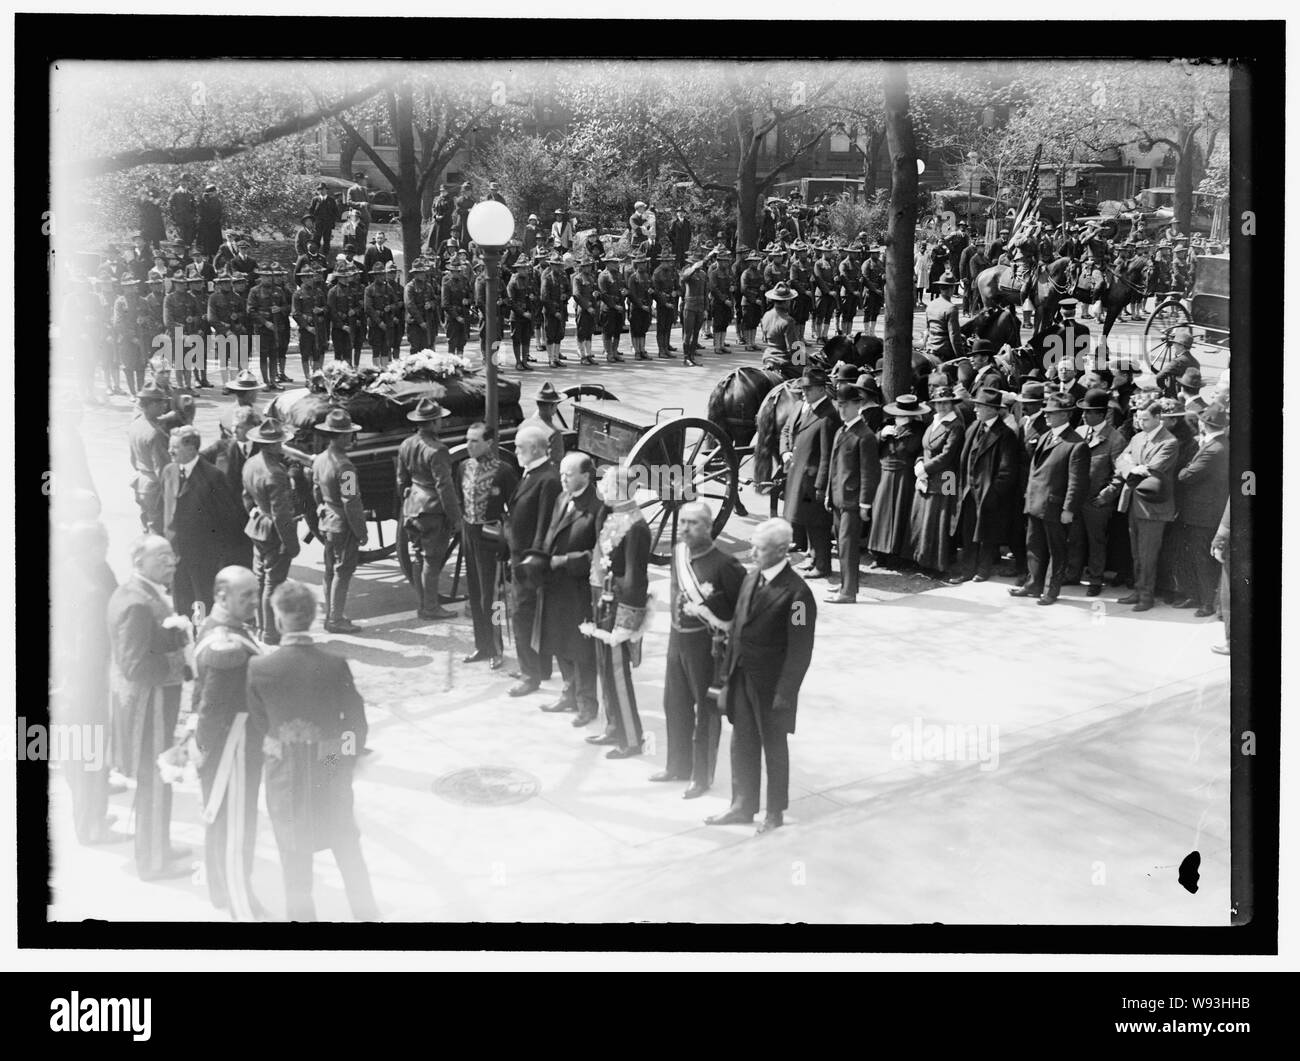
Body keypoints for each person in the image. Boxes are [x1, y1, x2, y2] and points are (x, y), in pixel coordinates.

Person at [246, 580, 379, 922]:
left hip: (285, 772)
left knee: (294, 859)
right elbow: (355, 721)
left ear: (277, 618)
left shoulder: (260, 668)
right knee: (347, 849)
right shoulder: (334, 664)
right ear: (314, 616)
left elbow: (260, 723)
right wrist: (348, 757)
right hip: (331, 764)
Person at [706, 518, 816, 835]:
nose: (752, 551)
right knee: (742, 743)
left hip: (771, 686)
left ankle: (774, 811)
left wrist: (785, 693)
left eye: (759, 547)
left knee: (774, 747)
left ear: (781, 551)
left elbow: (800, 652)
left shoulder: (798, 595)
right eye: (753, 544)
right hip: (742, 675)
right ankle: (742, 805)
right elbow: (739, 626)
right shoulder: (751, 578)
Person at [106, 535, 193, 881]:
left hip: (156, 705)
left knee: (160, 779)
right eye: (161, 557)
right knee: (157, 780)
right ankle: (153, 861)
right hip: (149, 708)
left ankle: (159, 846)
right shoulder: (136, 602)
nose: (170, 562)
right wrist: (178, 664)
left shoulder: (144, 591)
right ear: (138, 562)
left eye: (171, 554)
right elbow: (135, 666)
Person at [190, 565, 267, 920]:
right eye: (246, 595)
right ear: (221, 597)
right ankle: (241, 907)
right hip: (232, 747)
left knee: (220, 822)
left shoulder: (216, 627)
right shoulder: (227, 647)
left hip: (226, 744)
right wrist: (203, 751)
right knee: (237, 827)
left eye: (255, 592)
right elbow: (211, 709)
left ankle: (221, 891)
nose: (255, 601)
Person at [655, 501, 746, 795]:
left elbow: (738, 613)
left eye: (693, 523)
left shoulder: (726, 565)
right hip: (677, 641)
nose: (684, 528)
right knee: (674, 704)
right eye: (681, 522)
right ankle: (676, 766)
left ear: (708, 527)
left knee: (705, 712)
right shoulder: (678, 554)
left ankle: (701, 775)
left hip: (707, 648)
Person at [51, 519, 125, 846]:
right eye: (101, 545)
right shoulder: (91, 589)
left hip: (75, 681)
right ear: (87, 548)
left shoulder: (74, 571)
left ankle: (92, 814)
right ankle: (91, 825)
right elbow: (89, 643)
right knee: (88, 758)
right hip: (86, 684)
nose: (106, 550)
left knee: (83, 758)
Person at [581, 464, 652, 759]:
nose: (601, 490)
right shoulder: (613, 514)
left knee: (618, 674)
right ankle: (613, 726)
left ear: (620, 489)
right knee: (605, 671)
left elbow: (636, 579)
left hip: (619, 607)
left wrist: (626, 622)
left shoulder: (636, 526)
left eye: (606, 485)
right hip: (603, 601)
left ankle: (632, 739)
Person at [527, 452, 602, 726]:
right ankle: (568, 694)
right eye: (561, 474)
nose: (562, 479)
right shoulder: (562, 497)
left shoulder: (598, 506)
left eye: (568, 475)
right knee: (558, 641)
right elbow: (550, 532)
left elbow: (599, 554)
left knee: (580, 649)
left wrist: (565, 561)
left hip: (578, 588)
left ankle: (587, 704)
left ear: (585, 475)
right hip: (554, 584)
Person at [161, 424, 247, 621]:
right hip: (175, 555)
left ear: (191, 449)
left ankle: (200, 637)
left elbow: (227, 519)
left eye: (175, 447)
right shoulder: (168, 471)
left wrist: (219, 554)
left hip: (203, 557)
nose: (169, 451)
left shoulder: (213, 476)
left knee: (201, 605)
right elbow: (162, 511)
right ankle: (184, 637)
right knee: (180, 603)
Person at [1008, 393, 1088, 605]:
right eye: (1046, 413)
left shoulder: (1076, 444)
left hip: (1055, 505)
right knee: (1033, 545)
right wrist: (1029, 495)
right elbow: (1035, 469)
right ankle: (1033, 584)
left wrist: (1068, 509)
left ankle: (1051, 590)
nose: (1046, 417)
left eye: (1051, 414)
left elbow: (1076, 481)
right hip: (1035, 502)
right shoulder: (1046, 436)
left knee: (1056, 549)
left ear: (1064, 415)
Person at [505, 426, 562, 696]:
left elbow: (544, 526)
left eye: (520, 448)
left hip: (530, 563)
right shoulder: (533, 474)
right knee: (528, 616)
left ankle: (531, 675)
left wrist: (532, 562)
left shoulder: (547, 480)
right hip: (521, 558)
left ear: (536, 449)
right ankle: (538, 668)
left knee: (523, 617)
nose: (516, 452)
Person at [1109, 397, 1180, 612]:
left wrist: (1134, 466)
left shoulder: (1169, 442)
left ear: (1159, 418)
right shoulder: (1138, 437)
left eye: (1146, 419)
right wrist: (1131, 468)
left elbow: (1154, 468)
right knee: (1136, 553)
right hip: (1134, 502)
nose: (1141, 423)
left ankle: (1147, 596)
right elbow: (1120, 459)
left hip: (1153, 506)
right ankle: (1138, 591)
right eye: (1138, 419)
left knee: (1148, 554)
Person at [458, 422, 517, 668]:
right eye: (468, 440)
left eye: (475, 441)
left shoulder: (503, 470)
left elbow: (515, 506)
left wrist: (508, 539)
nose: (469, 446)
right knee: (475, 594)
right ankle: (481, 646)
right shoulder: (463, 467)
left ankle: (496, 648)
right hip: (469, 533)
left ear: (489, 443)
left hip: (491, 533)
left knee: (492, 598)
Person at [396, 397, 461, 620]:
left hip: (412, 507)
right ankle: (430, 607)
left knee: (418, 557)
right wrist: (456, 518)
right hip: (432, 510)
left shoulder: (406, 444)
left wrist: (406, 500)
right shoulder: (438, 450)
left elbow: (400, 480)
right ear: (433, 423)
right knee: (432, 561)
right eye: (439, 420)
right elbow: (445, 487)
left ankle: (423, 604)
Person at [949, 387, 1020, 584]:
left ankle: (983, 569)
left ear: (992, 409)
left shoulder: (1005, 434)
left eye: (980, 406)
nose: (975, 409)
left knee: (988, 533)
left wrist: (995, 492)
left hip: (989, 492)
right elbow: (963, 459)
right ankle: (967, 570)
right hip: (968, 490)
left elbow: (1007, 470)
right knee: (968, 530)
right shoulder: (973, 428)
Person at [309, 409, 369, 634]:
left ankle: (331, 615)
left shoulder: (321, 459)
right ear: (342, 437)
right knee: (342, 572)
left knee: (329, 571)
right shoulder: (345, 466)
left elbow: (316, 490)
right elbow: (351, 502)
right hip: (343, 525)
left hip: (327, 521)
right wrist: (361, 531)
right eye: (348, 435)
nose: (351, 439)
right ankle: (335, 619)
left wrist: (323, 510)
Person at [1062, 387, 1126, 597]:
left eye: (1088, 412)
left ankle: (1095, 579)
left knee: (1096, 540)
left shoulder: (1115, 439)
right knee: (1074, 537)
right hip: (1077, 498)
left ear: (1100, 414)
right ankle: (1072, 573)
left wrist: (1105, 496)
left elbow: (1120, 473)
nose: (1083, 415)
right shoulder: (1079, 432)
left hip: (1096, 501)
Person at [241, 418, 300, 644]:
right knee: (273, 583)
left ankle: (261, 626)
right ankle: (270, 633)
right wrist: (292, 544)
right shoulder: (275, 473)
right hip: (274, 531)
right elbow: (282, 514)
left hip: (258, 527)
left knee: (260, 578)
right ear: (273, 445)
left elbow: (246, 496)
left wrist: (255, 513)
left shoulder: (251, 463)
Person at [1170, 402, 1230, 616]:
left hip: (1202, 514)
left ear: (1204, 424)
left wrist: (1186, 467)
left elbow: (1185, 476)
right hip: (1205, 511)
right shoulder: (1220, 444)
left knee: (1201, 558)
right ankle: (1201, 598)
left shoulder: (1213, 449)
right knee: (1200, 557)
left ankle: (1206, 602)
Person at [781, 367, 839, 579]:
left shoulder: (829, 415)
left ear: (822, 389)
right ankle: (813, 558)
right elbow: (787, 431)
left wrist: (822, 485)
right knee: (805, 520)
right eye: (803, 388)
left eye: (808, 389)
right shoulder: (801, 407)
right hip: (797, 474)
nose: (803, 392)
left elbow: (827, 455)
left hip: (813, 479)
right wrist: (785, 451)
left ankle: (823, 565)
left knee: (818, 524)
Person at [824, 384, 880, 603]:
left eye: (846, 405)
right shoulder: (842, 430)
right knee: (841, 545)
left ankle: (848, 592)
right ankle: (845, 583)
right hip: (838, 498)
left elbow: (869, 473)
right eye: (840, 405)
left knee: (848, 547)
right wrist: (829, 494)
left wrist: (866, 504)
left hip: (852, 501)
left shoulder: (864, 436)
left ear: (858, 405)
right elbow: (833, 465)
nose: (842, 409)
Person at [909, 384, 964, 579]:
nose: (941, 407)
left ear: (951, 403)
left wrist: (925, 468)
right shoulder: (934, 421)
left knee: (940, 517)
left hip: (946, 476)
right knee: (924, 517)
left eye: (945, 403)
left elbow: (948, 455)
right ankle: (922, 559)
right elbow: (924, 448)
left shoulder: (955, 424)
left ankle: (939, 563)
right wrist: (919, 462)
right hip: (927, 474)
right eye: (938, 403)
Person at [867, 394, 927, 570]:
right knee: (880, 516)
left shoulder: (919, 429)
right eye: (899, 413)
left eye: (905, 414)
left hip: (904, 476)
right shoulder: (886, 426)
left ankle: (897, 556)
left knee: (901, 514)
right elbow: (870, 447)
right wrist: (881, 436)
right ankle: (879, 555)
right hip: (884, 475)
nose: (901, 417)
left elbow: (917, 449)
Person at [128, 383, 171, 534]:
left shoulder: (135, 424)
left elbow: (132, 459)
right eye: (161, 402)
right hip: (155, 487)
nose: (165, 406)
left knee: (146, 525)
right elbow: (163, 468)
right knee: (158, 531)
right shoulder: (155, 434)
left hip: (140, 481)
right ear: (151, 404)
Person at [539, 252, 569, 368]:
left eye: (559, 265)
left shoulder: (563, 277)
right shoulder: (547, 278)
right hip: (550, 311)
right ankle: (551, 359)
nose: (558, 267)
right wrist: (554, 312)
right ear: (551, 265)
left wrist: (566, 296)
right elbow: (544, 298)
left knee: (559, 334)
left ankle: (556, 358)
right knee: (550, 334)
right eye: (555, 265)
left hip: (561, 309)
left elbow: (568, 290)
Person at [679, 251, 709, 366]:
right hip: (690, 306)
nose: (698, 264)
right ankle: (686, 358)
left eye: (698, 262)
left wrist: (706, 308)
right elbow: (683, 279)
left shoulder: (703, 274)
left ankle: (692, 356)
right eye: (695, 262)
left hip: (700, 306)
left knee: (696, 333)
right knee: (688, 333)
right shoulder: (687, 272)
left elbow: (706, 292)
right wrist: (693, 269)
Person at [597, 253, 627, 363]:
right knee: (608, 331)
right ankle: (609, 353)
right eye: (614, 262)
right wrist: (614, 305)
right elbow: (603, 294)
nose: (616, 264)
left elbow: (623, 287)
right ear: (608, 263)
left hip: (619, 306)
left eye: (617, 262)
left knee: (618, 331)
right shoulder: (603, 276)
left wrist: (625, 292)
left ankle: (615, 351)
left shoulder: (619, 275)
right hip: (608, 308)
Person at [571, 256, 600, 366]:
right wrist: (587, 307)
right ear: (582, 267)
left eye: (589, 266)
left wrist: (597, 295)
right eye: (586, 266)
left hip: (592, 308)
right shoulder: (577, 278)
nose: (588, 268)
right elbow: (576, 294)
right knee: (582, 332)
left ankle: (588, 354)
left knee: (589, 332)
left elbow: (595, 291)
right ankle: (582, 355)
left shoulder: (592, 278)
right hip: (583, 309)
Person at [626, 253, 654, 360]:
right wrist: (641, 305)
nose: (643, 265)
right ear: (637, 264)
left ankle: (642, 349)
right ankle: (636, 350)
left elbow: (651, 290)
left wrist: (651, 296)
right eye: (640, 263)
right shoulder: (633, 277)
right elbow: (632, 294)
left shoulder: (647, 276)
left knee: (643, 329)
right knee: (635, 329)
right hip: (636, 307)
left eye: (644, 263)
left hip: (646, 307)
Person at [310, 182, 341, 256]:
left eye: (323, 189)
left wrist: (334, 222)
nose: (321, 191)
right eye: (319, 189)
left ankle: (325, 256)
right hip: (318, 224)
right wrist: (312, 222)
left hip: (328, 224)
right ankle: (315, 255)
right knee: (316, 239)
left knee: (327, 240)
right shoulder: (315, 200)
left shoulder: (331, 200)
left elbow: (335, 212)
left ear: (326, 190)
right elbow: (311, 211)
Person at [196, 184, 224, 258]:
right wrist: (205, 200)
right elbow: (200, 212)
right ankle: (206, 254)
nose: (213, 194)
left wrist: (214, 220)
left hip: (215, 224)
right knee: (206, 241)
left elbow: (219, 213)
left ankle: (215, 255)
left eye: (214, 192)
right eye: (211, 192)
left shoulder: (217, 201)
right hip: (205, 224)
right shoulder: (203, 200)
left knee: (215, 241)